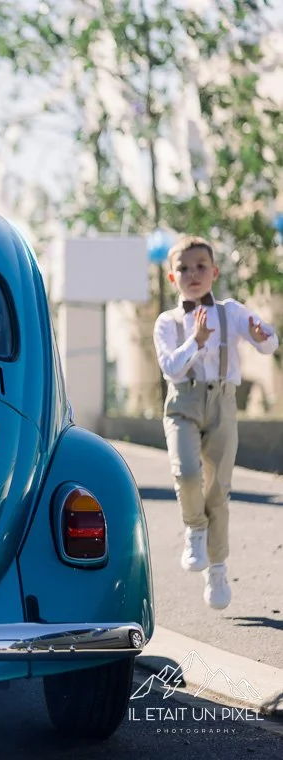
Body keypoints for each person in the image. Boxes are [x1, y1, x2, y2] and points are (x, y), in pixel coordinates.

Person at [153, 235, 278, 610]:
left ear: (214, 272)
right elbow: (171, 370)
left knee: (218, 491)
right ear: (172, 278)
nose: (193, 274)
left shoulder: (231, 312)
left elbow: (268, 344)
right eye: (184, 268)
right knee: (186, 472)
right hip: (184, 402)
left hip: (222, 402)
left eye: (200, 266)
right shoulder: (168, 322)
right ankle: (194, 527)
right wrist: (195, 339)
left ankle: (218, 567)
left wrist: (262, 335)